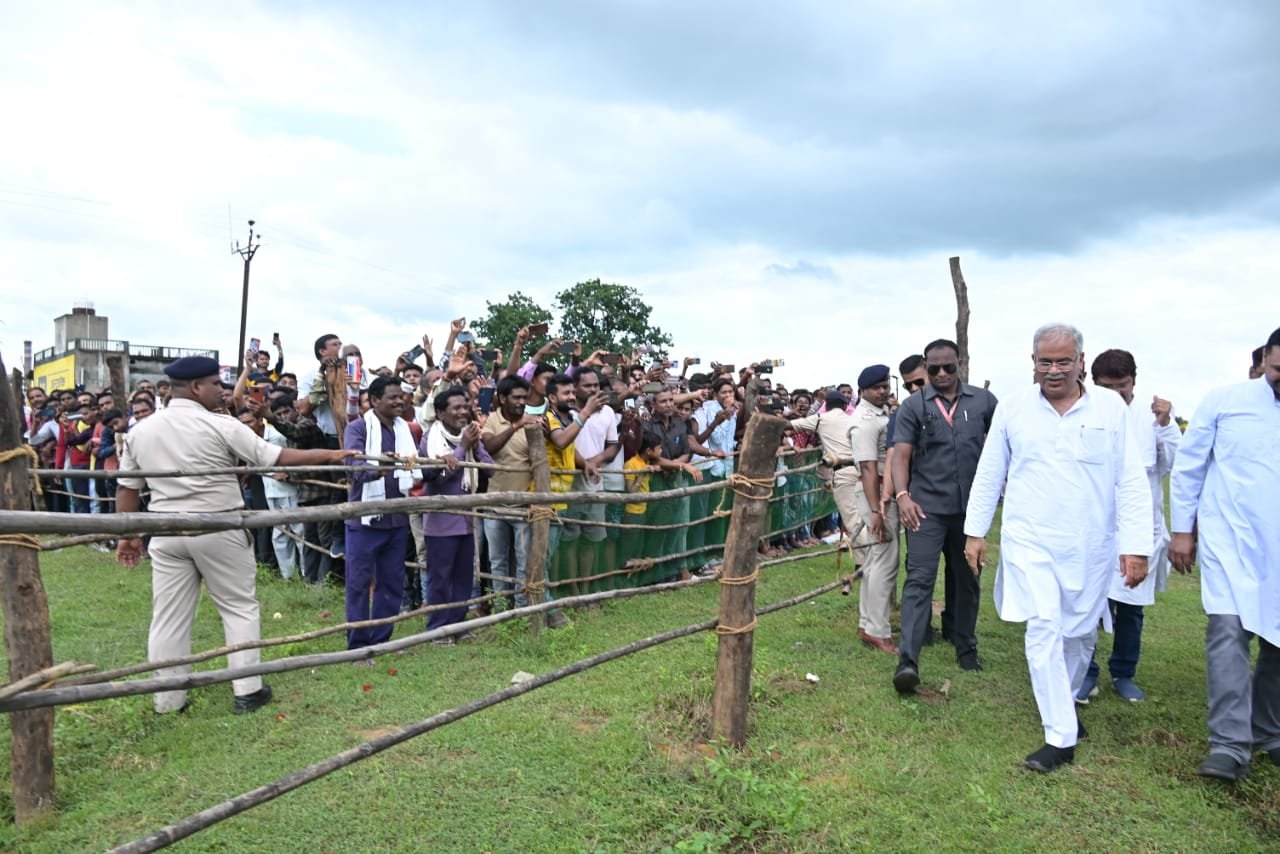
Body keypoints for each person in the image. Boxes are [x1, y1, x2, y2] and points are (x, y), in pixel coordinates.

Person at [115, 356, 352, 715]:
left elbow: (127, 489)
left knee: (168, 617)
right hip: (218, 526)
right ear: (196, 387)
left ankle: (167, 699)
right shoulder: (220, 425)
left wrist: (127, 536)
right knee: (239, 607)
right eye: (215, 384)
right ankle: (248, 690)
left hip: (166, 531)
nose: (223, 391)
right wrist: (332, 454)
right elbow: (277, 457)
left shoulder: (141, 431)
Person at [963, 323, 1151, 772]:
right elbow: (990, 474)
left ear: (1081, 361)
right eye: (1045, 361)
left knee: (1078, 633)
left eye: (1063, 361)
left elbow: (1130, 479)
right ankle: (1060, 736)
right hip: (1030, 541)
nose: (1054, 370)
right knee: (1044, 627)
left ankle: (1063, 707)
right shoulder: (1013, 409)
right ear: (1032, 364)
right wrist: (975, 533)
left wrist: (1136, 545)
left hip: (1091, 545)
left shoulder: (1109, 408)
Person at [1169, 325, 1280, 782]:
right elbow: (1189, 466)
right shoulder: (1226, 401)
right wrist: (1182, 531)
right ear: (1266, 359)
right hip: (1231, 541)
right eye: (1278, 368)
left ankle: (1269, 733)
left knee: (1277, 645)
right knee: (1227, 635)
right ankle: (1230, 746)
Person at [891, 339, 999, 692]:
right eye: (933, 368)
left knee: (968, 577)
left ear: (960, 365)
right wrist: (903, 496)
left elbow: (1003, 446)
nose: (940, 374)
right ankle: (908, 660)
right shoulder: (913, 406)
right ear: (926, 365)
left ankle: (966, 646)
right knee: (920, 579)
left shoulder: (983, 402)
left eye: (947, 367)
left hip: (970, 512)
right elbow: (901, 456)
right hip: (925, 510)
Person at [1077, 349, 1180, 704]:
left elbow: (1174, 466)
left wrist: (1166, 426)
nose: (1116, 394)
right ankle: (1085, 674)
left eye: (1122, 386)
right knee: (1088, 602)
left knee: (1130, 608)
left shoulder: (1153, 417)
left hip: (1139, 527)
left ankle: (1123, 672)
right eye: (1108, 387)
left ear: (1134, 380)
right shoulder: (1087, 412)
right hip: (1097, 525)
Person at [343, 376, 421, 654]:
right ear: (375, 400)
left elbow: (419, 463)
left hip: (397, 517)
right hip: (365, 517)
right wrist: (381, 467)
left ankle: (382, 639)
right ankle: (359, 645)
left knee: (392, 581)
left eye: (402, 396)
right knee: (358, 583)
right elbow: (353, 466)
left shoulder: (405, 430)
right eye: (393, 397)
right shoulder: (358, 428)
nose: (400, 401)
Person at [420, 386, 494, 641]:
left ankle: (458, 625)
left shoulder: (470, 437)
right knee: (440, 576)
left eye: (465, 406)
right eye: (456, 408)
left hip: (465, 520)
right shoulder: (430, 439)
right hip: (441, 521)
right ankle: (438, 628)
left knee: (463, 576)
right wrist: (463, 447)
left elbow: (491, 469)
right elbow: (436, 476)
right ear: (441, 412)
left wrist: (475, 445)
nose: (463, 412)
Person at [848, 365, 900, 654]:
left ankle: (868, 622)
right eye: (876, 387)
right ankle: (878, 631)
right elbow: (868, 467)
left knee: (873, 560)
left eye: (885, 386)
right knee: (885, 560)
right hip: (877, 492)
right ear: (863, 391)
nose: (883, 391)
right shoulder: (866, 420)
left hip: (879, 491)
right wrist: (877, 509)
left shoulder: (880, 413)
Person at [481, 375, 541, 607]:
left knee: (524, 561)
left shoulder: (533, 422)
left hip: (523, 505)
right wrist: (516, 426)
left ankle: (521, 608)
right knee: (497, 561)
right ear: (502, 398)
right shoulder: (491, 421)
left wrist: (534, 427)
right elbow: (489, 446)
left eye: (524, 398)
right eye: (516, 397)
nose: (521, 402)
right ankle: (501, 609)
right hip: (495, 504)